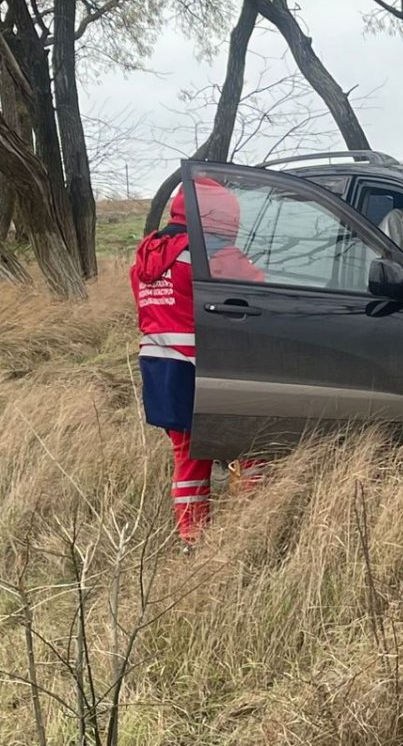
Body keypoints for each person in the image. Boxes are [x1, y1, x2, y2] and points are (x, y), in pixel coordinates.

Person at [131, 178, 265, 545]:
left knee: (188, 456)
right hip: (203, 368)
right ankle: (254, 528)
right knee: (252, 443)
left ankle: (193, 538)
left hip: (159, 368)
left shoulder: (147, 256)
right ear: (217, 217)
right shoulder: (211, 255)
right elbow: (260, 289)